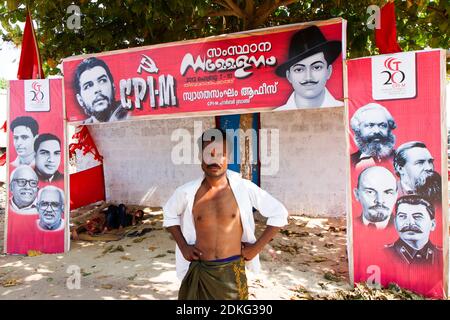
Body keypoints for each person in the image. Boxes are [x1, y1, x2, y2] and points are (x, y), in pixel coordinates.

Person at [163, 128, 289, 300]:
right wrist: (184, 247)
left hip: (231, 272)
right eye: (209, 154)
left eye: (220, 154)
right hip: (200, 270)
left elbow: (279, 213)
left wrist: (255, 249)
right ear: (200, 158)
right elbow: (169, 214)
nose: (214, 159)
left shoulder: (243, 188)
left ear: (228, 157)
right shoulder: (187, 192)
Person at [274, 25, 343, 111]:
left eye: (317, 67)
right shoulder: (277, 114)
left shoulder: (345, 112)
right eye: (299, 69)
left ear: (328, 71)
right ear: (289, 76)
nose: (308, 77)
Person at [385, 195, 441, 265]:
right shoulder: (382, 255)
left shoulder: (444, 255)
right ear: (395, 223)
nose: (410, 223)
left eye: (417, 217)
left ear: (432, 225)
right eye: (402, 216)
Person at [73, 57, 129, 124]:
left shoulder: (131, 114)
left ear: (113, 87)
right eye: (88, 86)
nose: (97, 89)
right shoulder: (82, 130)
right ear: (80, 100)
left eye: (102, 81)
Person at [350, 103, 397, 169]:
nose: (377, 131)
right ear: (358, 129)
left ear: (389, 128)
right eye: (370, 125)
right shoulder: (350, 162)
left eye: (382, 125)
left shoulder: (401, 158)